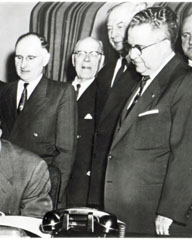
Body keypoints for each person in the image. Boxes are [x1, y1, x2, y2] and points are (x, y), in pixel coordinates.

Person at [104, 7, 192, 236]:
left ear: (165, 44)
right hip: (128, 214)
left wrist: (170, 211)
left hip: (157, 219)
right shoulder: (144, 79)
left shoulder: (187, 83)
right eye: (130, 47)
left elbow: (188, 153)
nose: (132, 55)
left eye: (139, 48)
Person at [0, 33, 77, 208]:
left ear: (45, 59)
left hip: (42, 189)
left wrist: (54, 198)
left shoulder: (61, 93)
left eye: (30, 58)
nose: (23, 64)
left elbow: (66, 154)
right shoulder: (5, 91)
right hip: (6, 187)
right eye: (19, 57)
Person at [87, 2, 145, 209]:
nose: (113, 34)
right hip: (101, 179)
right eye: (109, 29)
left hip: (129, 182)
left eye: (120, 26)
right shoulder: (104, 72)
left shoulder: (145, 72)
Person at [66, 37, 104, 208]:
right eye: (81, 54)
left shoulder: (105, 96)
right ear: (74, 59)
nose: (87, 59)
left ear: (101, 61)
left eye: (93, 54)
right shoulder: (59, 91)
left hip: (83, 184)